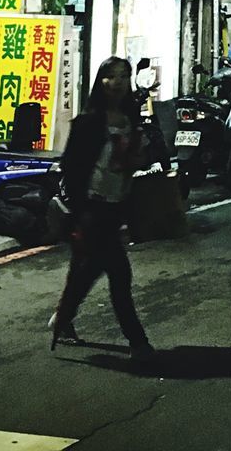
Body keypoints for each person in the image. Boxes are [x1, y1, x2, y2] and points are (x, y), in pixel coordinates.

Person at [49, 56, 156, 364]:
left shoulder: (130, 118)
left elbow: (138, 160)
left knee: (85, 271)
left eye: (123, 76)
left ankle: (63, 317)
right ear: (100, 80)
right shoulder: (89, 121)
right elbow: (70, 167)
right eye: (110, 76)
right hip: (92, 209)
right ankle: (139, 343)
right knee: (119, 274)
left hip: (116, 205)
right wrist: (77, 210)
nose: (117, 82)